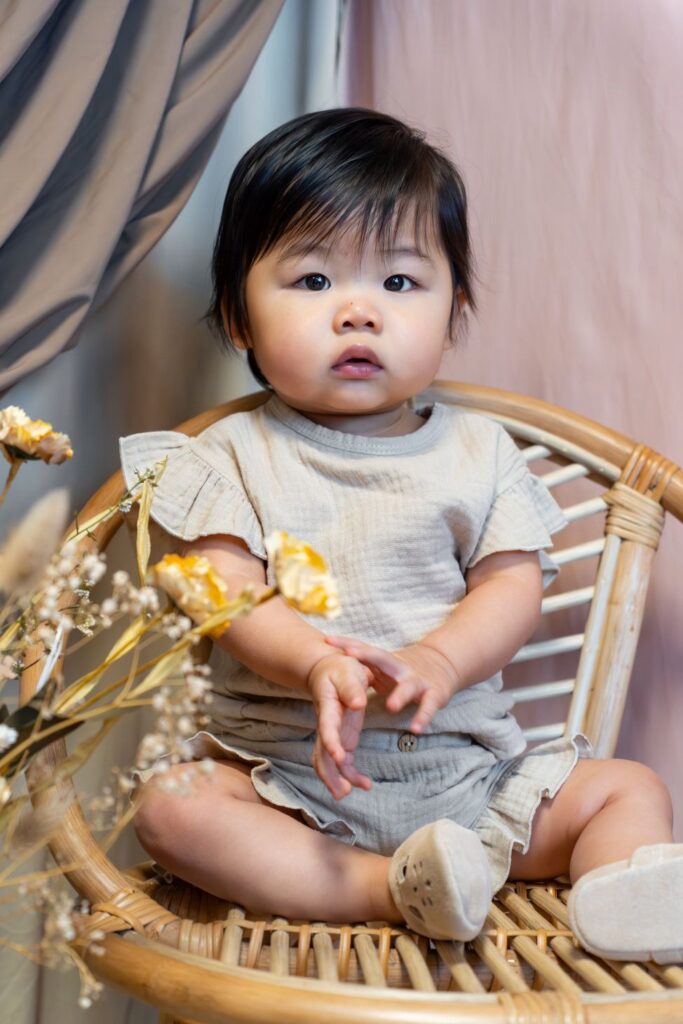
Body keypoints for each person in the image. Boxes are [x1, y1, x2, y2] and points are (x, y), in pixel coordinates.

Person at [121, 108, 681, 962]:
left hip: (469, 779)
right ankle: (395, 888)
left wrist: (440, 660)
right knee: (171, 808)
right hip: (290, 785)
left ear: (454, 312)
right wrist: (313, 662)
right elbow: (221, 590)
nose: (358, 312)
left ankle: (620, 902)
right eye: (313, 280)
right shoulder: (229, 455)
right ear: (237, 317)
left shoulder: (478, 454)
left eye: (398, 281)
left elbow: (509, 584)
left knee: (625, 788)